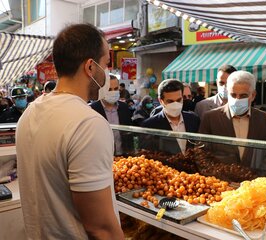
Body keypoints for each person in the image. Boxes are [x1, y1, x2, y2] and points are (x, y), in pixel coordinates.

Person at [16, 24, 124, 239]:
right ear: (90, 67)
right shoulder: (88, 123)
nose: (107, 73)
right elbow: (99, 227)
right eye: (105, 64)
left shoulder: (29, 113)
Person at [199, 70, 266, 170]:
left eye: (243, 96)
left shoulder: (264, 120)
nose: (237, 99)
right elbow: (201, 154)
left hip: (253, 182)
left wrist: (256, 178)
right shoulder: (211, 118)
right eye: (233, 95)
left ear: (253, 95)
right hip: (221, 181)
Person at [142, 79, 200, 154]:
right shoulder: (149, 125)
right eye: (170, 101)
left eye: (179, 100)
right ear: (161, 101)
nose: (175, 104)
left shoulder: (193, 119)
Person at [90, 74, 133, 156]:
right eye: (109, 89)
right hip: (101, 158)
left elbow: (129, 134)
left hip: (123, 158)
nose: (113, 92)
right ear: (101, 90)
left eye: (116, 89)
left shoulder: (124, 107)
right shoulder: (92, 109)